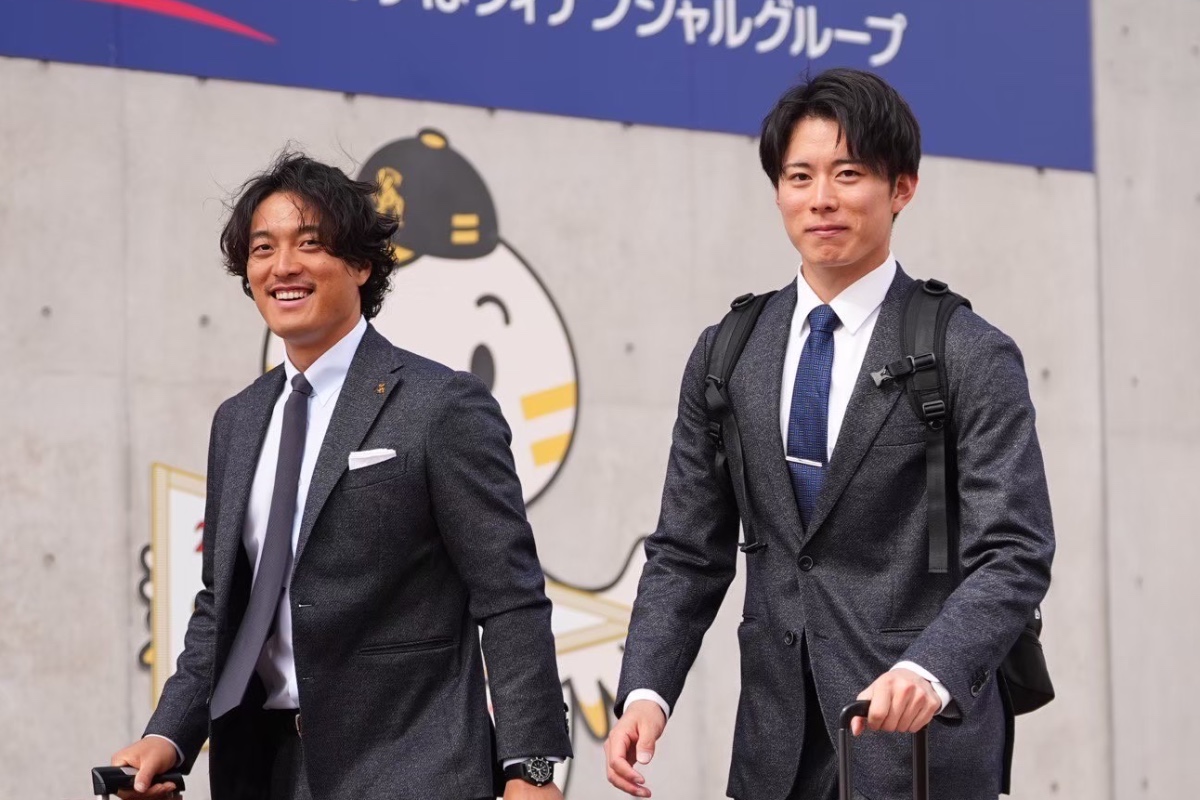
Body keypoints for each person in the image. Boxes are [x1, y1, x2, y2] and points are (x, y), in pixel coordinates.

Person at [604, 68, 1054, 800]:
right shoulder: (727, 351)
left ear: (901, 188)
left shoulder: (969, 352)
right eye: (799, 176)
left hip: (917, 747)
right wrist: (646, 690)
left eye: (848, 174)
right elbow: (687, 549)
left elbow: (1014, 551)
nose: (821, 198)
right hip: (773, 751)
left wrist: (930, 669)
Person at [109, 153, 571, 800]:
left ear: (361, 264)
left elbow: (510, 595)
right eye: (263, 248)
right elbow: (223, 607)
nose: (282, 266)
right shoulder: (237, 421)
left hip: (410, 772)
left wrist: (532, 768)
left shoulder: (440, 406)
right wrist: (169, 735)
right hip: (262, 771)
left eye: (310, 243)